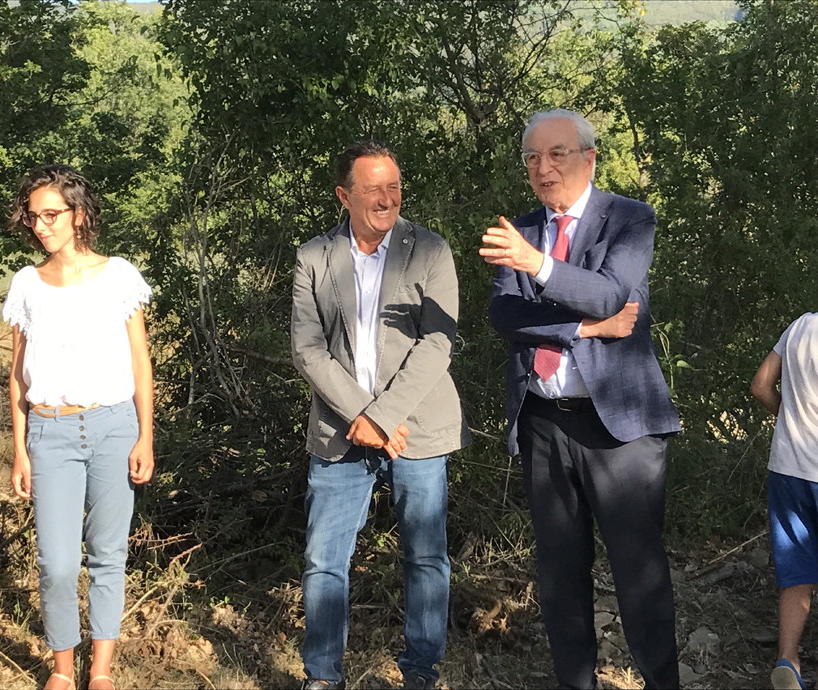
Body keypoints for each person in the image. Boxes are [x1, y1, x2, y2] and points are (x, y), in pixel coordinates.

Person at [480, 109, 682, 689]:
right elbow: (505, 314)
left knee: (638, 574)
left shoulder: (629, 219)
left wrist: (537, 266)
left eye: (556, 154)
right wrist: (583, 329)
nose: (542, 169)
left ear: (588, 158)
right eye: (532, 158)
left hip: (619, 430)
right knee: (560, 576)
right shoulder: (520, 228)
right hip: (544, 421)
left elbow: (610, 292)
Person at [291, 140, 470, 690]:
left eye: (393, 187)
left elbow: (438, 343)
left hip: (417, 430)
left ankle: (420, 673)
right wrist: (362, 417)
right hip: (340, 434)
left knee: (425, 559)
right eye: (373, 189)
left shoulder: (431, 251)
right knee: (325, 561)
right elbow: (307, 348)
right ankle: (322, 677)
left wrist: (384, 416)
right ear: (345, 195)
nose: (387, 198)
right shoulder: (313, 257)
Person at [3, 165, 154, 690]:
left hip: (115, 426)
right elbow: (17, 375)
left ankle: (102, 671)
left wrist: (145, 436)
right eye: (33, 216)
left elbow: (140, 362)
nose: (40, 225)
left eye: (51, 214)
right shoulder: (27, 284)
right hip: (51, 432)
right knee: (59, 563)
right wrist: (20, 451)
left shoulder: (119, 276)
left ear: (78, 214)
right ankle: (62, 672)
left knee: (109, 554)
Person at [752, 313, 818, 690]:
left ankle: (788, 661)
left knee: (797, 575)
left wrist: (790, 423)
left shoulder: (800, 326)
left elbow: (761, 385)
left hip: (788, 468)